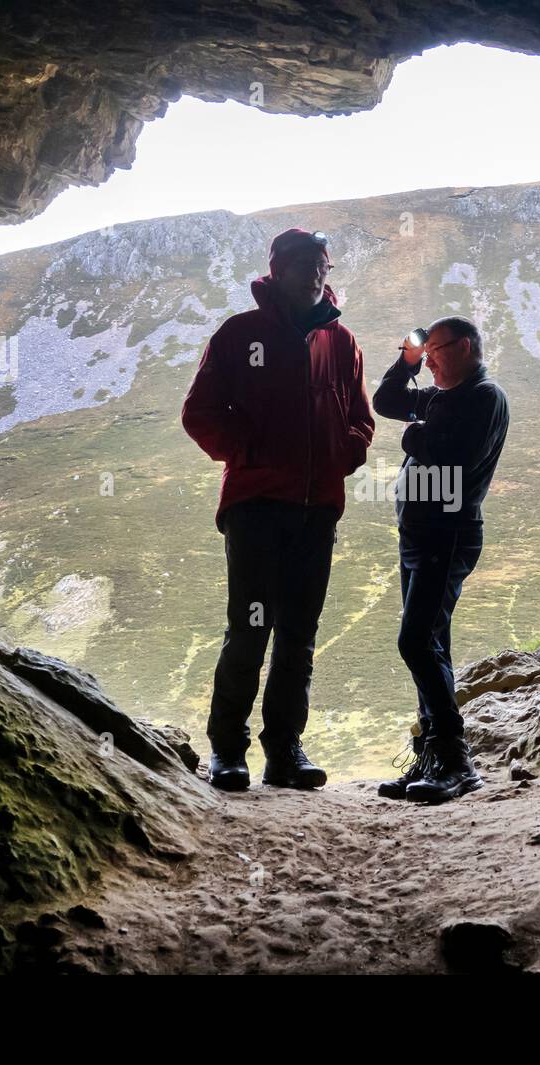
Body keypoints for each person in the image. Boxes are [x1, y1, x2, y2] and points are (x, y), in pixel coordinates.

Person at [181, 228, 375, 791]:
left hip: (318, 510)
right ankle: (227, 750)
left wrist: (349, 450)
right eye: (301, 265)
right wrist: (248, 451)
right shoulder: (242, 334)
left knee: (299, 632)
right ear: (277, 270)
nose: (313, 273)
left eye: (320, 264)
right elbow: (200, 412)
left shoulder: (342, 342)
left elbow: (361, 416)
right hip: (257, 505)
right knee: (250, 626)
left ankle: (285, 751)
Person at [371, 316, 509, 803]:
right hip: (418, 535)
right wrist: (405, 361)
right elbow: (385, 402)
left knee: (414, 641)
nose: (427, 358)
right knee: (432, 643)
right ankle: (432, 754)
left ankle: (455, 759)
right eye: (423, 351)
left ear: (464, 346)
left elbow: (453, 459)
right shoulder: (439, 395)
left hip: (447, 536)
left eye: (434, 349)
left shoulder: (484, 397)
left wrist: (414, 436)